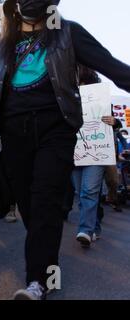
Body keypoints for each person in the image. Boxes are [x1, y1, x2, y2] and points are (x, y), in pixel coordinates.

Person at [0, 0, 130, 300]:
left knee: (45, 202)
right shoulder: (3, 48)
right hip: (14, 136)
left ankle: (38, 280)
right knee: (30, 207)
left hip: (56, 133)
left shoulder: (68, 34)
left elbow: (111, 65)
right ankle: (46, 265)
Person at [72, 66, 120, 248]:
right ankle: (94, 228)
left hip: (96, 153)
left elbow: (115, 122)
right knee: (81, 193)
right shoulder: (66, 98)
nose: (80, 86)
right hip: (74, 153)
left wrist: (115, 122)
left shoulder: (101, 101)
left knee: (89, 191)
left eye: (83, 83)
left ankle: (85, 230)